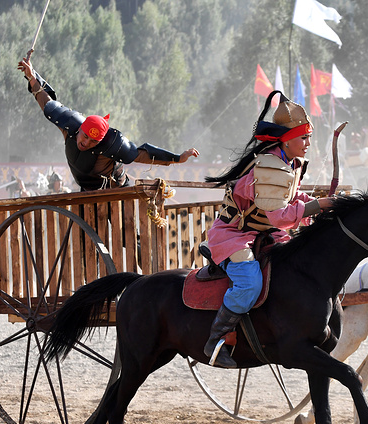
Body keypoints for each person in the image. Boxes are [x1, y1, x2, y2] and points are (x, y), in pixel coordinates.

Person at [203, 91, 335, 368]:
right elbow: (280, 217)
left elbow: (292, 199)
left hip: (263, 234)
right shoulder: (271, 166)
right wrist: (319, 205)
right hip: (234, 236)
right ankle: (215, 339)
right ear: (287, 139)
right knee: (249, 283)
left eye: (309, 137)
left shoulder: (289, 162)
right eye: (303, 137)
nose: (308, 143)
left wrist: (319, 206)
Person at [17, 58, 199, 191]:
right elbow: (46, 102)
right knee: (85, 237)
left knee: (127, 235)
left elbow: (141, 154)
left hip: (116, 189)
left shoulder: (112, 145)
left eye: (93, 141)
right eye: (85, 136)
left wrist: (177, 158)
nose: (86, 142)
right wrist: (32, 78)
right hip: (87, 191)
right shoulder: (70, 127)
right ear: (80, 128)